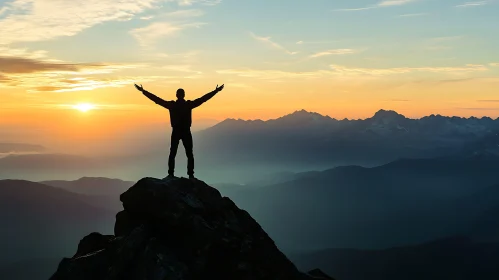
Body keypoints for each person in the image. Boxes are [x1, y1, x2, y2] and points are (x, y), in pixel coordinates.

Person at [134, 83, 225, 179]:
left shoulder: (172, 105)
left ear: (176, 95)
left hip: (176, 131)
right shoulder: (188, 105)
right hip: (186, 131)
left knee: (173, 153)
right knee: (189, 154)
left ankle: (171, 174)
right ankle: (191, 174)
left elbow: (157, 100)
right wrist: (215, 91)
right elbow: (203, 99)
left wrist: (143, 91)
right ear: (184, 95)